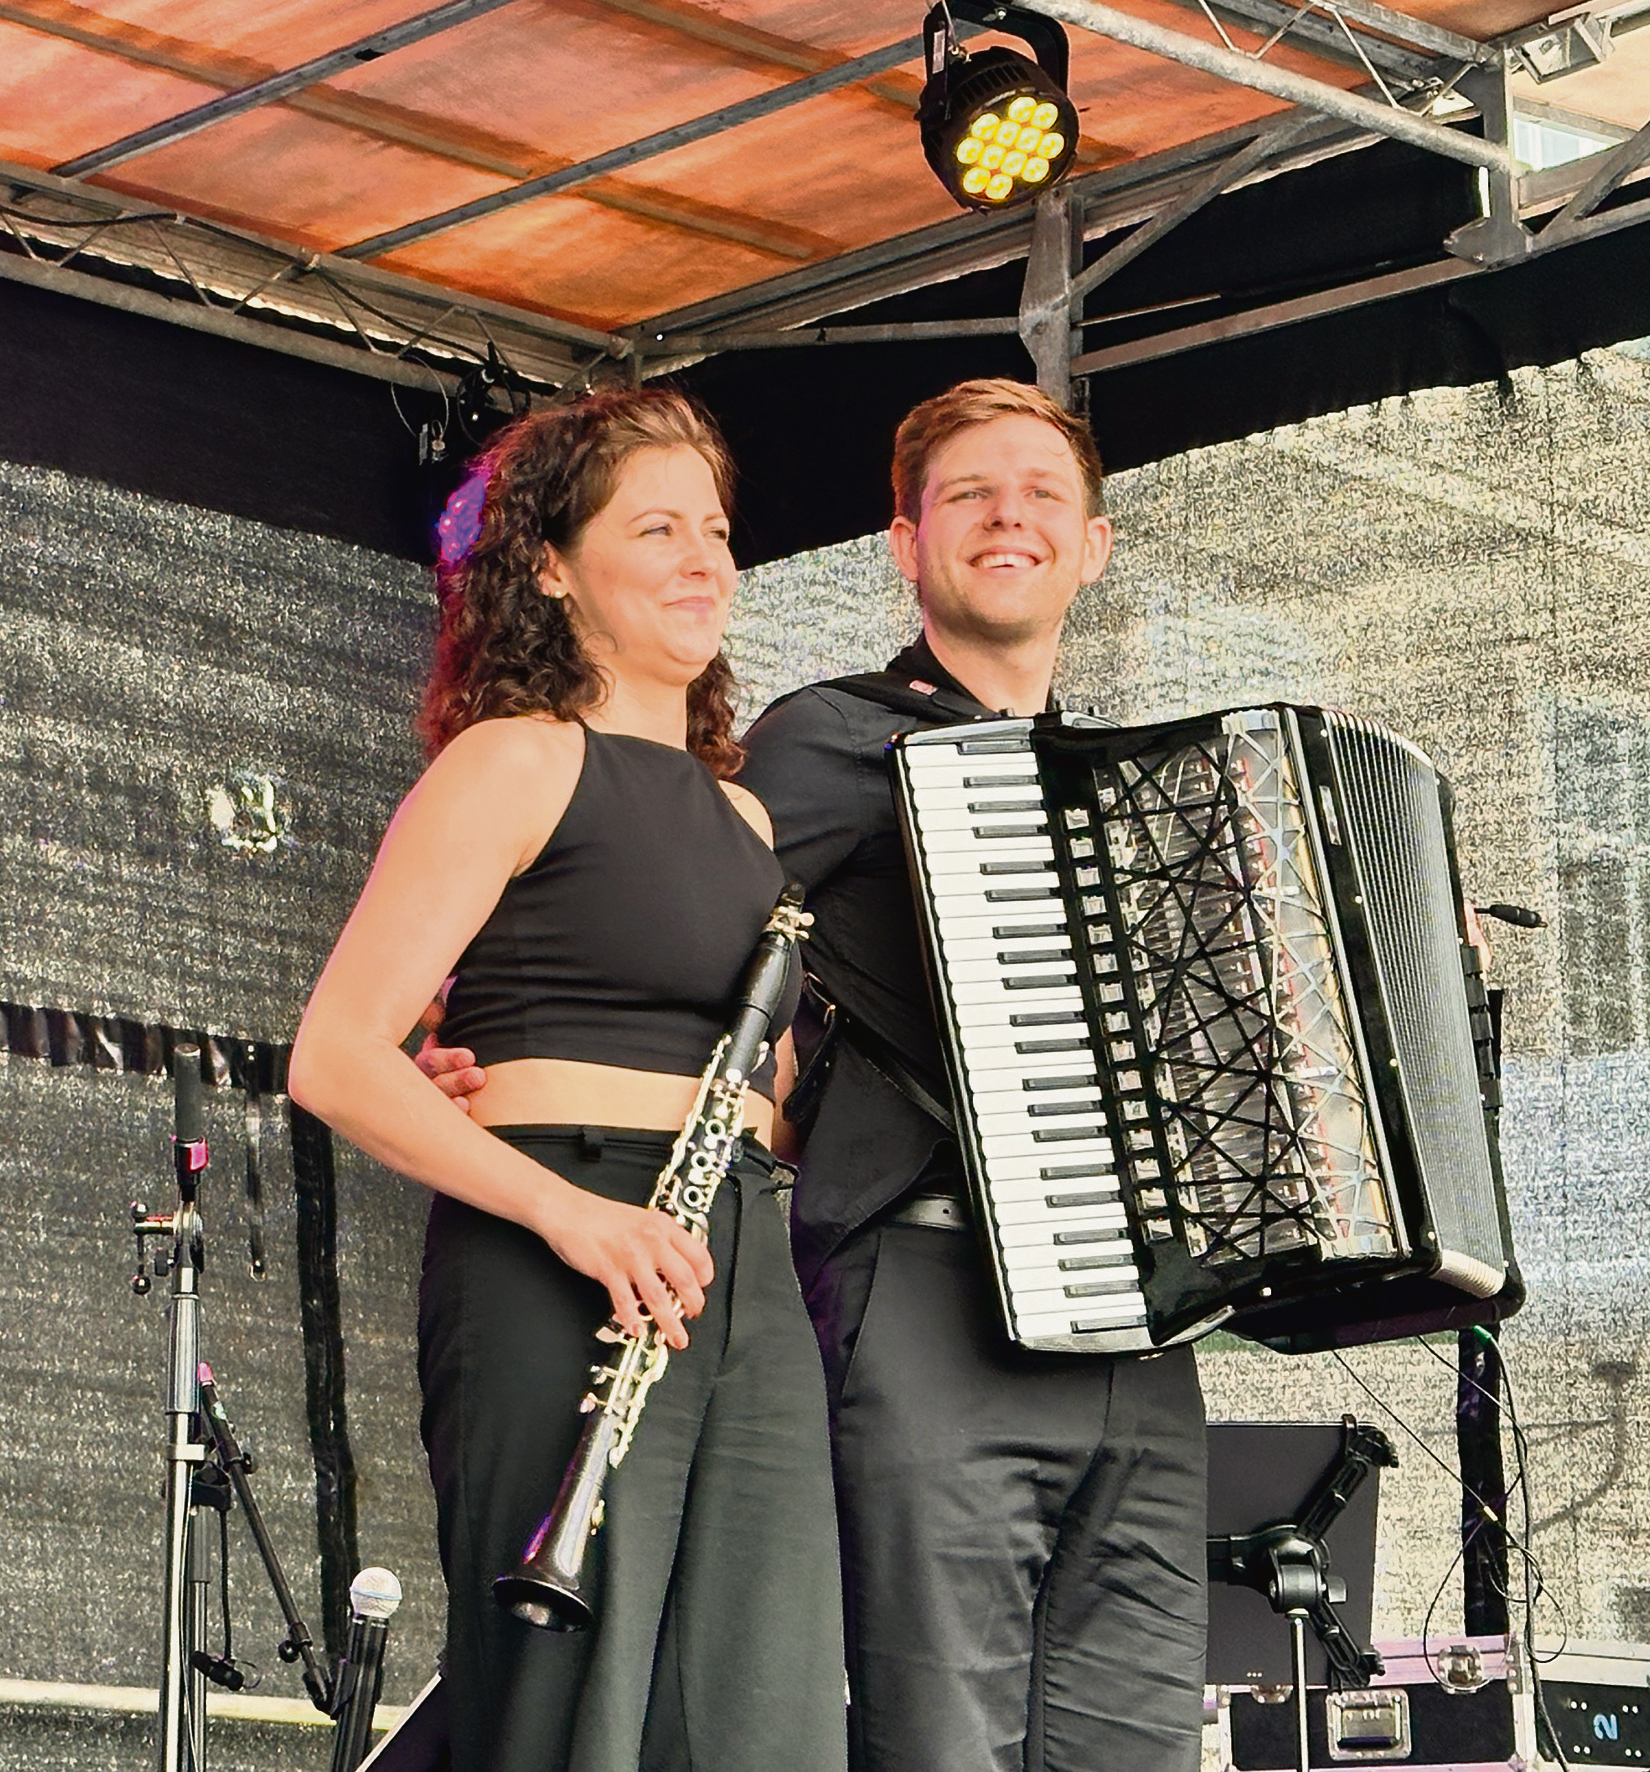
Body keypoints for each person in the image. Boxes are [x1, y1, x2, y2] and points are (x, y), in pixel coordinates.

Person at [422, 378, 1205, 1772]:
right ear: (902, 544)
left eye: (1042, 495)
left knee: (1125, 1740)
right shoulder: (826, 743)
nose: (1008, 518)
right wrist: (458, 1026)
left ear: (1095, 545)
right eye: (968, 494)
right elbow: (633, 913)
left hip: (1123, 1317)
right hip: (916, 1285)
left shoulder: (1131, 791)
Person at [290, 387, 845, 1772]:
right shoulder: (513, 762)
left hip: (737, 1265)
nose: (703, 561)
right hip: (565, 1253)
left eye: (713, 531)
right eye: (656, 530)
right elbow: (336, 1057)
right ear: (549, 565)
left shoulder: (743, 814)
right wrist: (571, 1215)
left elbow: (772, 1101)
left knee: (763, 1718)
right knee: (565, 1711)